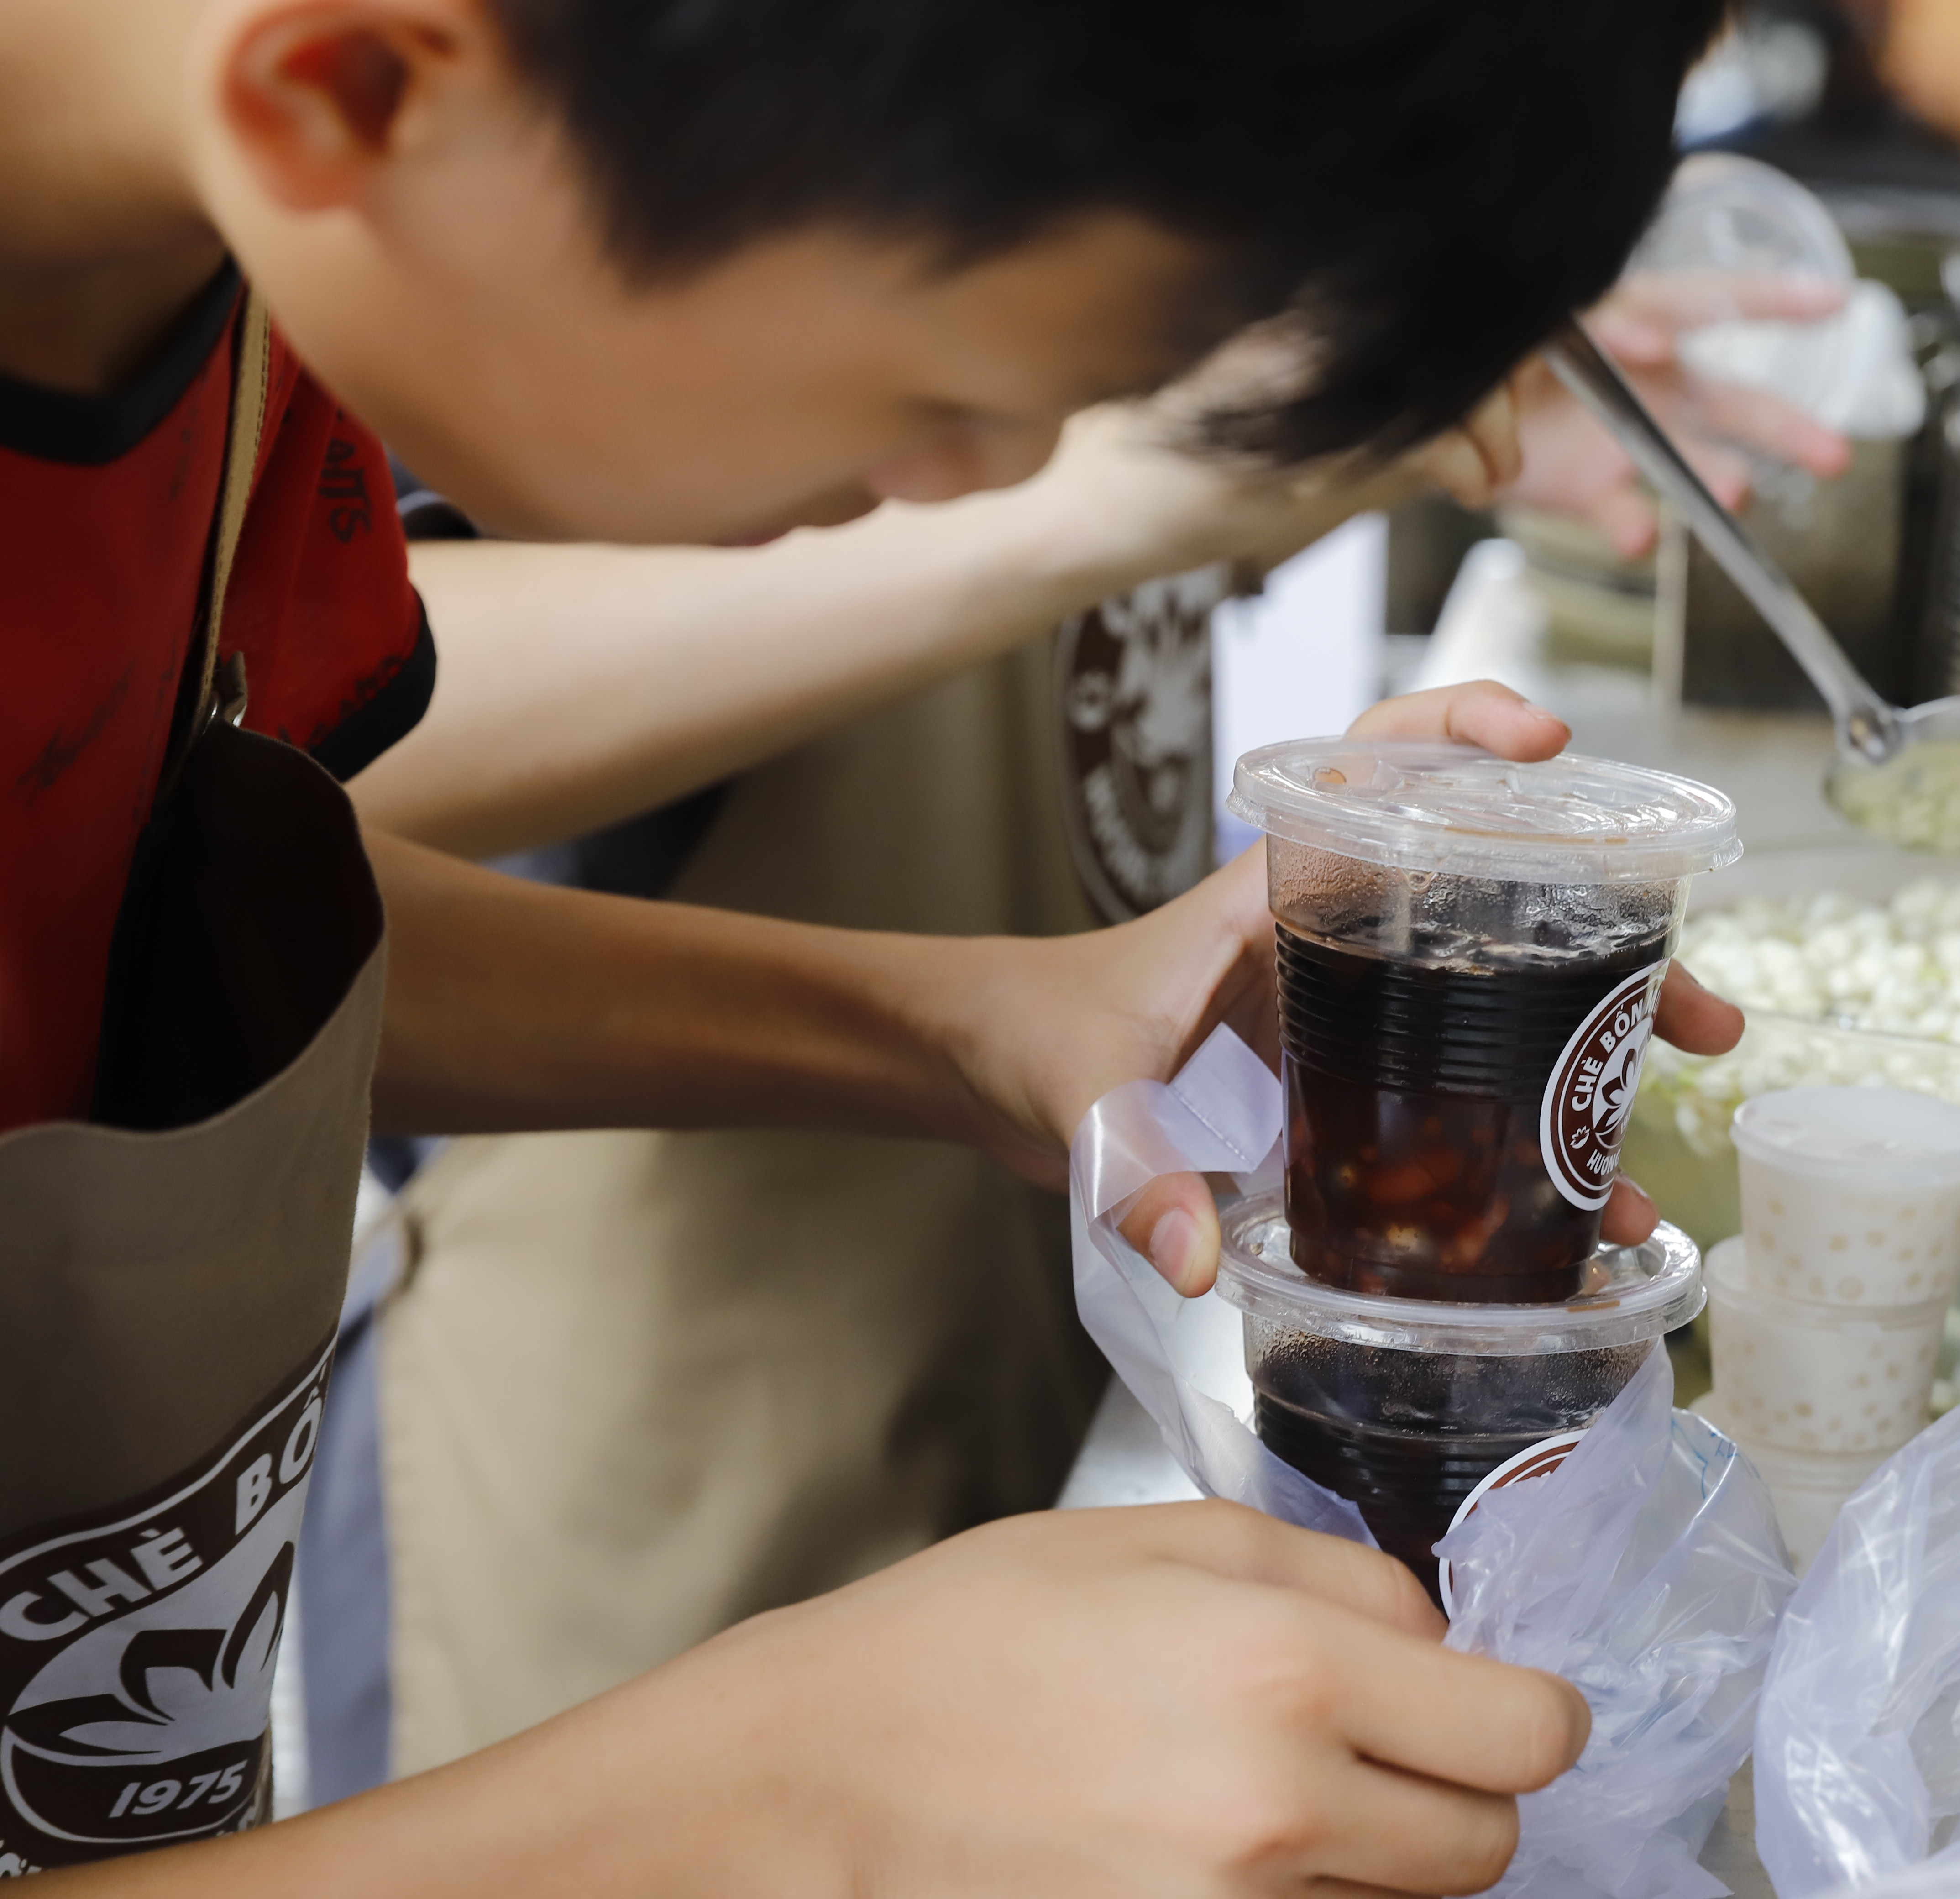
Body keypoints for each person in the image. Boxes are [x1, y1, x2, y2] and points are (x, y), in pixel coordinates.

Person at [0, 0, 1742, 1888]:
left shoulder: (209, 306)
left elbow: (129, 907)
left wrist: (969, 1023)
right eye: (942, 397)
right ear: (353, 92)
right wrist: (784, 1792)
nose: (994, 480)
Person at [300, 273, 1848, 1796]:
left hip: (1014, 1345)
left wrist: (1364, 414)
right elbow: (322, 728)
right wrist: (1134, 482)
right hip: (665, 1469)